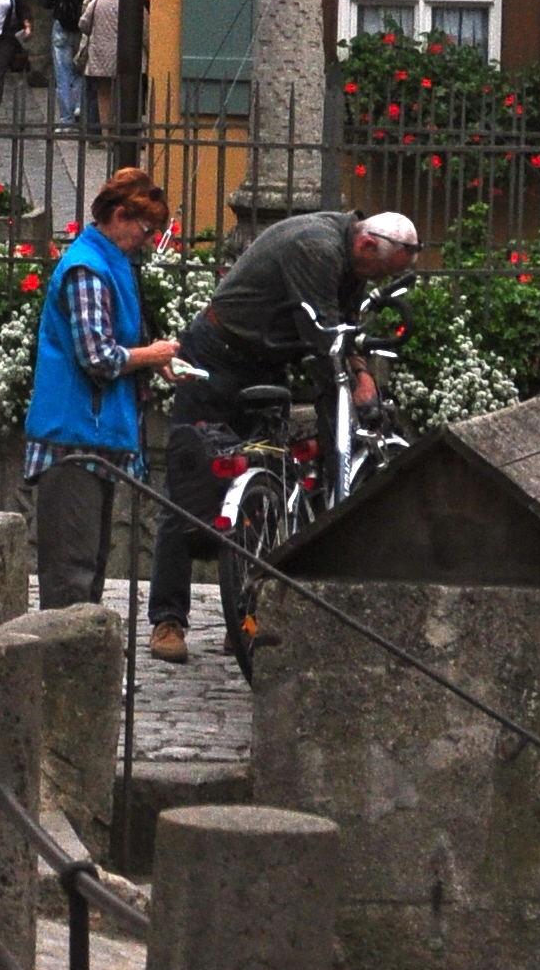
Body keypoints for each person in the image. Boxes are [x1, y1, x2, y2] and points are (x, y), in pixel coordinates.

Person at [145, 207, 417, 661]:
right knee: (188, 486)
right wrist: (353, 382)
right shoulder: (315, 247)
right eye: (380, 268)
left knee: (266, 485)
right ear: (367, 245)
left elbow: (341, 332)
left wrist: (361, 375)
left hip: (264, 360)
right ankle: (168, 620)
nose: (374, 277)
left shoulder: (354, 256)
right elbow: (321, 336)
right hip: (217, 354)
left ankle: (244, 617)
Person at [24, 168, 177, 608]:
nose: (149, 239)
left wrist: (155, 362)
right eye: (146, 229)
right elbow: (98, 357)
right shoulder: (87, 268)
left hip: (93, 436)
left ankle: (79, 669)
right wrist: (155, 354)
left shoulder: (110, 262)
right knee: (73, 578)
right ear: (119, 216)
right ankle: (64, 671)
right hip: (73, 439)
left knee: (86, 573)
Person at [76, 0, 126, 130]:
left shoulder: (96, 1)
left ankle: (103, 132)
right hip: (124, 55)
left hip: (100, 54)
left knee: (101, 94)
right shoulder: (129, 1)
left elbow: (83, 25)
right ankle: (120, 130)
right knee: (123, 94)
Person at [44, 0, 91, 125]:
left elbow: (46, 1)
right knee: (81, 68)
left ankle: (66, 118)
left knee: (62, 73)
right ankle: (79, 105)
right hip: (83, 26)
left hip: (62, 26)